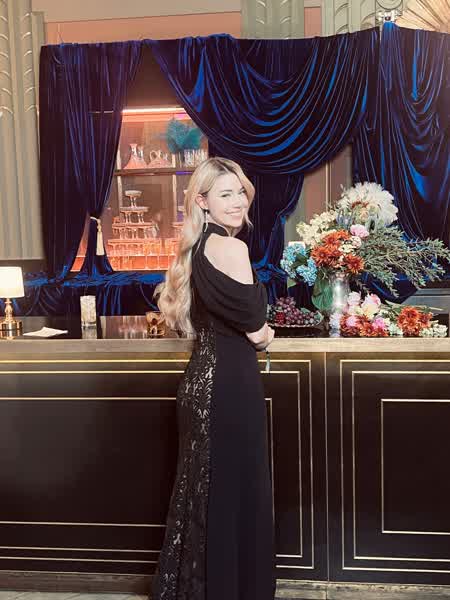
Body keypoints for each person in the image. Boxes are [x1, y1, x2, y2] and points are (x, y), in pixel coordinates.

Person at [152, 157, 276, 600]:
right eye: (226, 194)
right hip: (230, 385)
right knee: (235, 492)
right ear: (202, 202)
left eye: (241, 192)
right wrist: (267, 334)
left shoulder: (195, 249)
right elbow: (256, 329)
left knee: (203, 494)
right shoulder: (230, 248)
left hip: (200, 382)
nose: (238, 201)